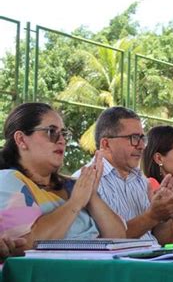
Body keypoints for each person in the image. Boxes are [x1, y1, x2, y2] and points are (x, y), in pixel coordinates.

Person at [0, 102, 126, 252]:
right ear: (21, 139)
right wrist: (75, 203)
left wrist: (91, 196)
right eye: (51, 132)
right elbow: (27, 244)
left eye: (64, 134)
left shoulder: (73, 186)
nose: (62, 140)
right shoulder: (8, 180)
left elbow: (118, 238)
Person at [79, 106, 173, 243]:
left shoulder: (140, 180)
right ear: (106, 144)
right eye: (134, 138)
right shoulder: (85, 182)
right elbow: (104, 243)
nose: (142, 146)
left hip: (153, 260)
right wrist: (153, 216)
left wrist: (163, 216)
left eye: (142, 138)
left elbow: (163, 242)